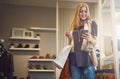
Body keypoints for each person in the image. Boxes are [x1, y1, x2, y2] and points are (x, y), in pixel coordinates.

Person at [65, 2, 98, 79]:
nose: (83, 13)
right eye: (81, 11)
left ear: (87, 12)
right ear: (77, 12)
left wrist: (90, 39)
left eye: (85, 11)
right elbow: (71, 45)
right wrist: (70, 38)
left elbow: (95, 42)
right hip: (74, 61)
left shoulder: (92, 23)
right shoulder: (73, 26)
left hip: (88, 60)